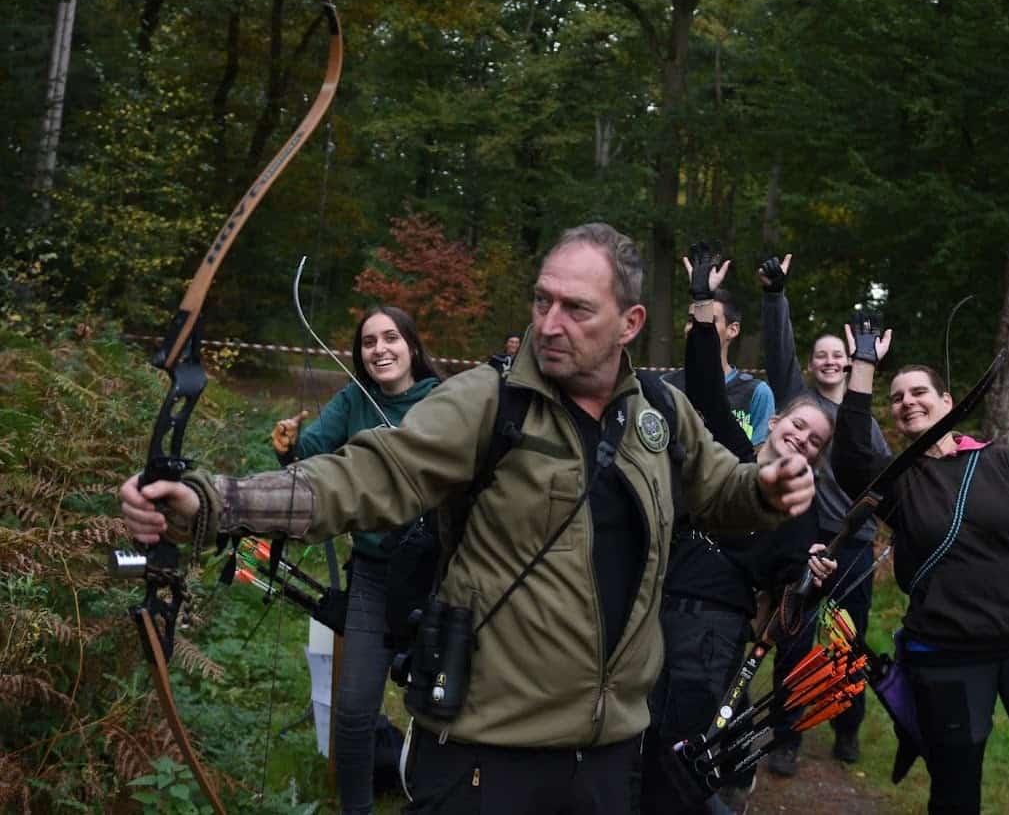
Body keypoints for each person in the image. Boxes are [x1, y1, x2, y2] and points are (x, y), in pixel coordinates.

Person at [120, 223, 817, 815]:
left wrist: (766, 485)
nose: (548, 324)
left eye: (576, 309)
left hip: (611, 756)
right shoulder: (487, 402)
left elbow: (719, 490)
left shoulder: (660, 414)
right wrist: (216, 502)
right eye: (541, 301)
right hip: (486, 759)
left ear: (629, 323)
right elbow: (366, 475)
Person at [828, 315, 1009, 815]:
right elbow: (851, 455)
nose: (906, 402)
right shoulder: (900, 482)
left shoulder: (1000, 462)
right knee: (954, 793)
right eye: (897, 398)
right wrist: (862, 363)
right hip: (948, 656)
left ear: (948, 402)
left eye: (919, 391)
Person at [643, 250, 831, 815]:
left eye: (816, 441)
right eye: (799, 424)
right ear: (774, 421)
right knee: (637, 741)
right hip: (652, 607)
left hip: (714, 630)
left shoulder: (802, 508)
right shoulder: (726, 450)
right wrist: (702, 298)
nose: (802, 438)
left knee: (680, 758)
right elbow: (702, 381)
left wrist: (811, 578)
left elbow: (789, 597)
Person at [270, 306, 439, 815]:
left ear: (412, 345)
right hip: (372, 576)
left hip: (438, 578)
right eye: (369, 342)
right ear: (360, 355)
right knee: (353, 712)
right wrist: (290, 446)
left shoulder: (442, 401)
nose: (380, 349)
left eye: (391, 338)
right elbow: (312, 457)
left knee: (440, 706)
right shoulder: (353, 399)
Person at [759, 253, 891, 773]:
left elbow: (885, 482)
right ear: (812, 365)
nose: (831, 361)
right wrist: (776, 296)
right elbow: (778, 349)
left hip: (854, 547)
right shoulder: (800, 403)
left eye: (839, 354)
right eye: (822, 355)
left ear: (849, 360)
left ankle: (848, 726)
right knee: (794, 633)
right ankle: (785, 735)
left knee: (847, 640)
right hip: (806, 538)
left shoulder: (865, 423)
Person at [663, 277, 775, 447]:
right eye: (691, 320)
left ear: (733, 329)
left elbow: (759, 460)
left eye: (708, 320)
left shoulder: (756, 393)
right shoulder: (665, 386)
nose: (696, 328)